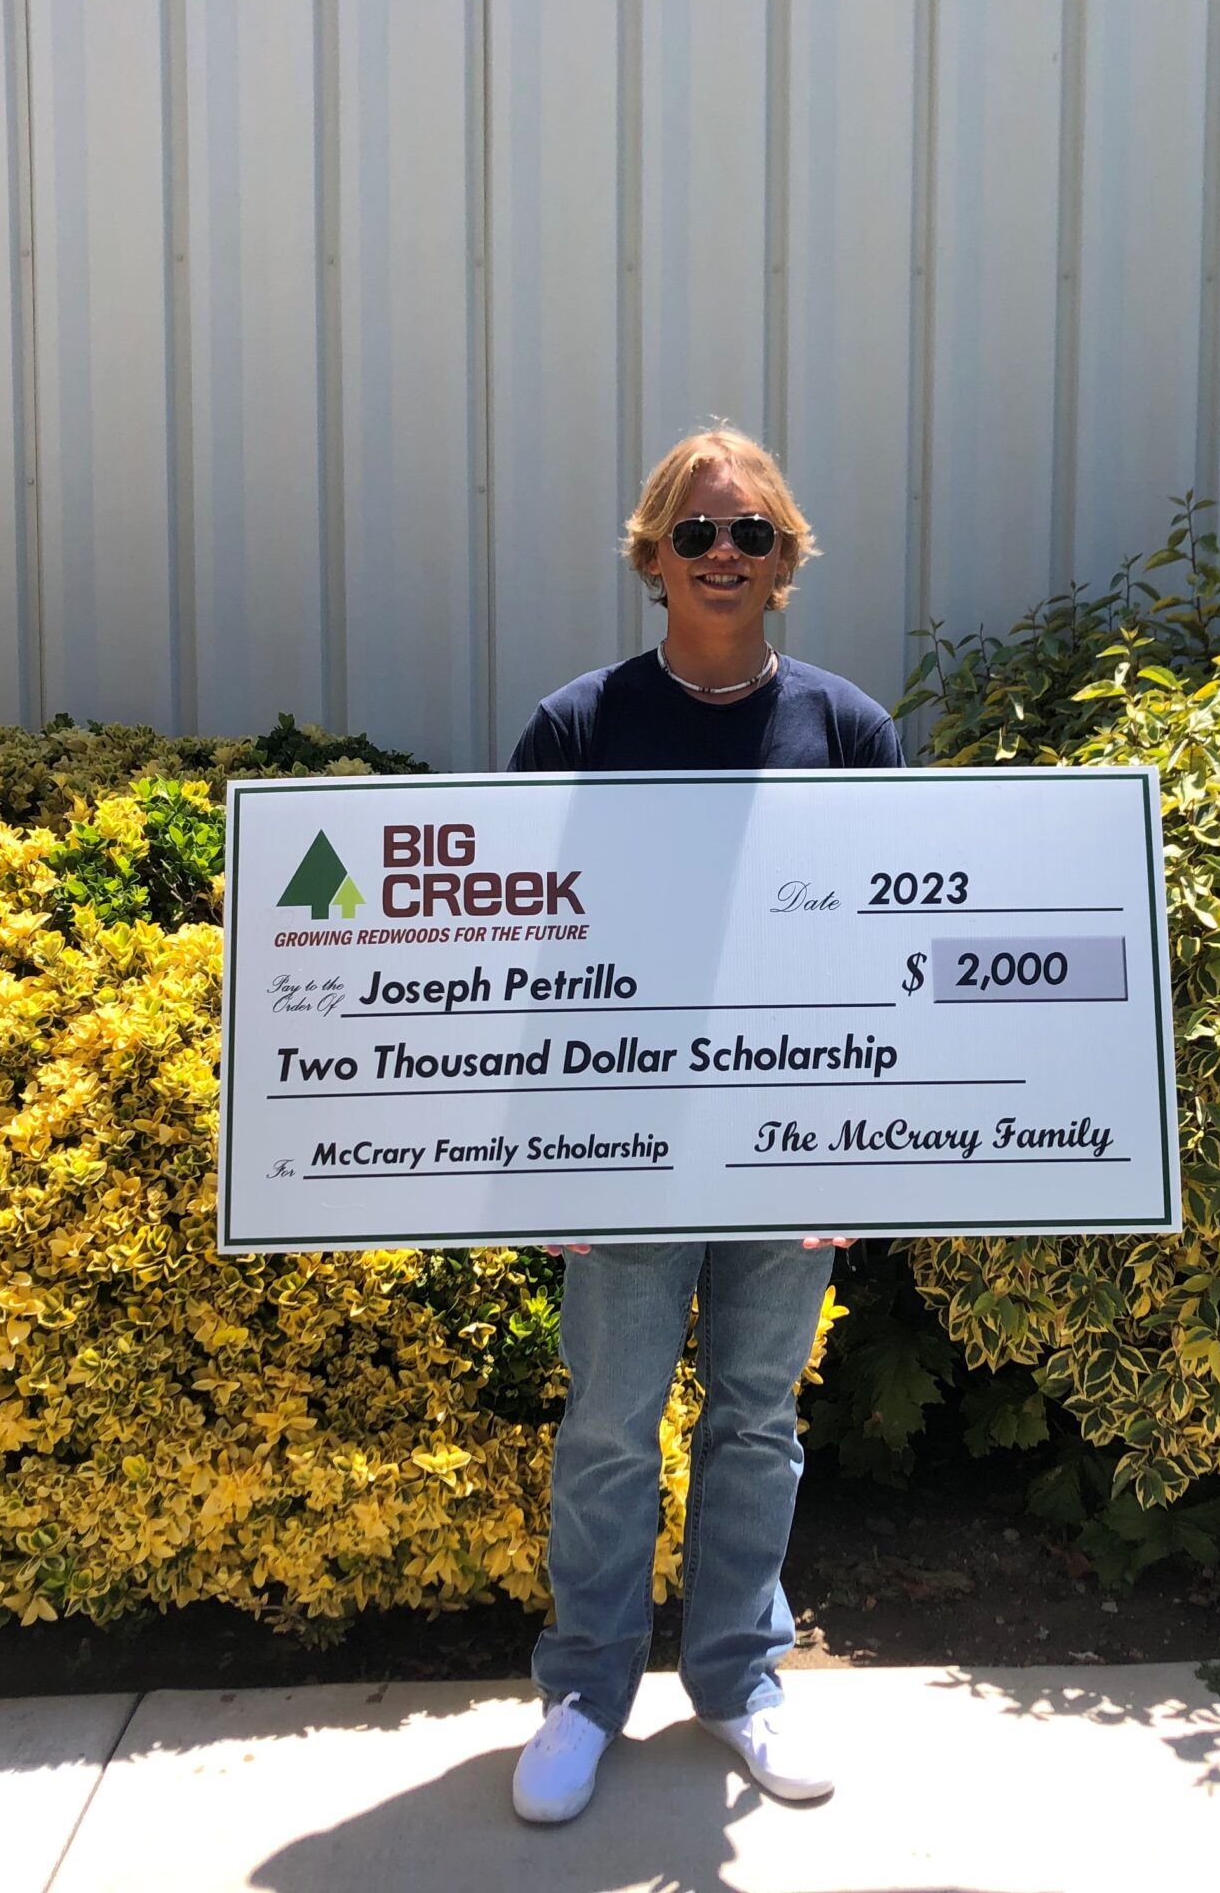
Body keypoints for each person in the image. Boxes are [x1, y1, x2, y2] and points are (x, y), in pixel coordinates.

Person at [506, 425, 902, 1825]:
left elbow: (881, 949)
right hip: (620, 1141)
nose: (723, 555)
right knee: (613, 1421)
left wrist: (856, 1143)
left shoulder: (848, 731)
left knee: (756, 1420)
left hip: (789, 1141)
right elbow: (532, 952)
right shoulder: (580, 725)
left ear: (785, 558)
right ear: (653, 555)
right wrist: (545, 1153)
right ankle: (583, 1694)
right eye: (696, 533)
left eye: (750, 534)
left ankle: (739, 1682)